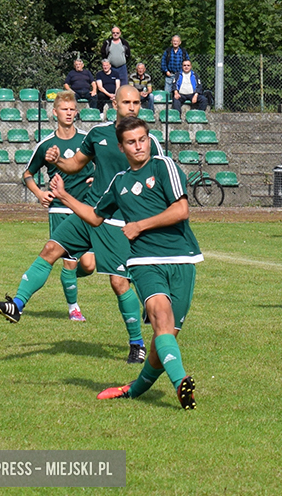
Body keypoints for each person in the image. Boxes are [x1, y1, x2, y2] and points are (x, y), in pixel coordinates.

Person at [0, 86, 164, 364]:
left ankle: (137, 344)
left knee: (118, 283)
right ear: (114, 103)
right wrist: (57, 160)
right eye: (126, 102)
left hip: (118, 221)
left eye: (136, 102)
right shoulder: (98, 134)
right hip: (87, 212)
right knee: (50, 249)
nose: (132, 107)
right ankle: (17, 305)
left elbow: (157, 180)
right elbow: (75, 164)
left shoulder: (148, 141)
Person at [51, 117, 200, 409]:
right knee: (160, 320)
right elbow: (95, 216)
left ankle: (133, 389)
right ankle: (182, 384)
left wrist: (140, 225)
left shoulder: (163, 166)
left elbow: (181, 210)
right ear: (121, 148)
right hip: (144, 262)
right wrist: (65, 197)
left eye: (142, 139)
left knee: (164, 340)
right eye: (131, 142)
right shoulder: (119, 182)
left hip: (182, 258)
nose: (139, 146)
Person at [22, 90, 96, 321]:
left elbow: (103, 163)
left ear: (76, 112)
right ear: (55, 113)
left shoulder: (87, 139)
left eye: (72, 109)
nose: (69, 113)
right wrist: (39, 193)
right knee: (70, 261)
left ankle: (68, 277)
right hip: (59, 210)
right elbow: (28, 173)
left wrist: (97, 177)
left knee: (89, 264)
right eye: (64, 109)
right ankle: (74, 308)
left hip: (84, 208)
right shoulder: (47, 145)